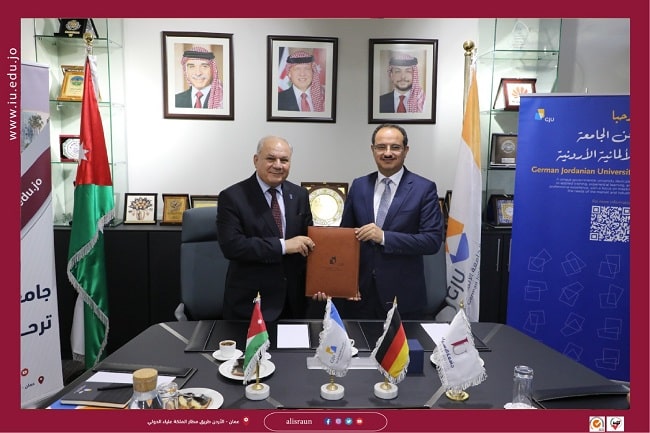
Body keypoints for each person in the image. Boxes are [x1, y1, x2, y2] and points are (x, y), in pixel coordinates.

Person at [331, 124, 444, 319]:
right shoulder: (359, 185)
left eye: (395, 147)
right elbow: (345, 240)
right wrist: (345, 283)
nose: (388, 153)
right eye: (381, 147)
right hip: (360, 296)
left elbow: (432, 241)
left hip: (403, 297)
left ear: (406, 150)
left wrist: (384, 237)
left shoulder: (424, 189)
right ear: (373, 150)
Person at [216, 135, 315, 321]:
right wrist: (283, 246)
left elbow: (308, 242)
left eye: (284, 160)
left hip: (294, 304)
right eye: (271, 158)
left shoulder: (299, 195)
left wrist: (323, 282)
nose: (278, 165)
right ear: (256, 160)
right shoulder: (232, 197)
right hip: (252, 304)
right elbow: (233, 246)